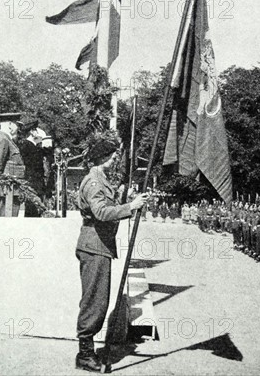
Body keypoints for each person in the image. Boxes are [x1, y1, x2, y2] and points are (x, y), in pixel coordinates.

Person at [75, 133, 148, 372]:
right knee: (95, 302)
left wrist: (126, 198)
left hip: (99, 245)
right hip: (94, 246)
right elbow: (102, 213)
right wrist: (130, 207)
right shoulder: (94, 181)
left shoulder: (101, 178)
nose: (116, 158)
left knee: (99, 300)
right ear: (103, 157)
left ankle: (87, 351)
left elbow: (107, 207)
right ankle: (85, 354)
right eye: (113, 154)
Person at [0, 112, 26, 217]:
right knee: (6, 222)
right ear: (10, 124)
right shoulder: (3, 139)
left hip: (10, 189)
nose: (18, 128)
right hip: (7, 191)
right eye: (17, 124)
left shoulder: (5, 138)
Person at [19, 121, 46, 217]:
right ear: (31, 132)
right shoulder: (27, 145)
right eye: (35, 130)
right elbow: (32, 163)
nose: (38, 133)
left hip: (36, 179)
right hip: (32, 179)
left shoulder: (33, 146)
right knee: (32, 207)